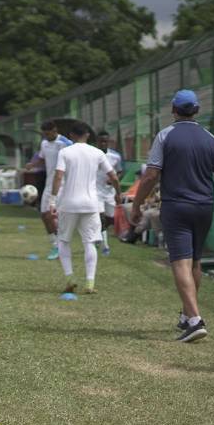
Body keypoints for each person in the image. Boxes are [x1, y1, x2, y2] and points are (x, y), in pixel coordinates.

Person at [131, 89, 214, 343]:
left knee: (180, 262)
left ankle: (195, 320)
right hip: (205, 207)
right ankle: (185, 314)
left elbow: (150, 175)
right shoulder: (211, 139)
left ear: (173, 110)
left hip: (176, 206)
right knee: (195, 262)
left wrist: (137, 204)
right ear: (197, 110)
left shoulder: (165, 136)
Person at [48, 122, 120, 295]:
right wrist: (118, 193)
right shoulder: (97, 153)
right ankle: (90, 282)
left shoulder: (65, 152)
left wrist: (52, 200)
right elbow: (114, 176)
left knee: (64, 241)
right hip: (91, 204)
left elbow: (58, 176)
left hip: (68, 204)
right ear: (87, 135)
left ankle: (70, 278)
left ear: (71, 135)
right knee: (90, 243)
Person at [24, 121, 72, 259]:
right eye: (44, 133)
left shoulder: (65, 143)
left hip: (64, 184)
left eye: (48, 133)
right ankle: (56, 245)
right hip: (49, 184)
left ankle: (62, 246)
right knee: (45, 214)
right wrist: (32, 164)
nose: (46, 136)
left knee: (56, 215)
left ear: (55, 130)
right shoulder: (44, 143)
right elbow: (41, 157)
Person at [95, 130, 123, 255]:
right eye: (101, 141)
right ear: (97, 142)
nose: (103, 144)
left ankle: (98, 235)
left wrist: (114, 180)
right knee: (100, 217)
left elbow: (120, 171)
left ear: (109, 142)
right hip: (96, 191)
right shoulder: (93, 155)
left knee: (110, 218)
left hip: (110, 192)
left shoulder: (115, 156)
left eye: (105, 141)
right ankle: (105, 245)